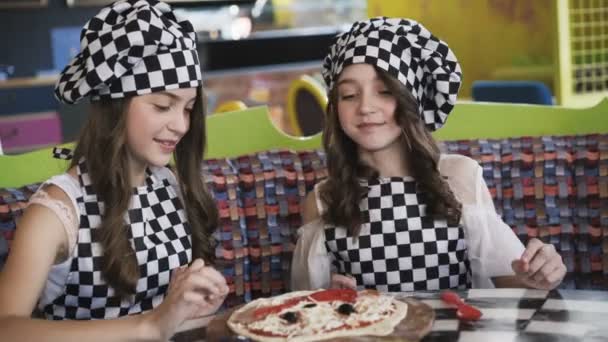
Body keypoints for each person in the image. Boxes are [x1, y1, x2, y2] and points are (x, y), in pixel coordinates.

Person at [0, 1, 229, 340]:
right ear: (115, 105)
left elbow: (174, 324)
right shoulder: (58, 210)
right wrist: (149, 325)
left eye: (189, 109)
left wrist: (219, 317)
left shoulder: (171, 185)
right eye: (163, 106)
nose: (181, 125)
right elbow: (5, 327)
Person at [291, 17, 567, 292]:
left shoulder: (459, 177)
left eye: (385, 91)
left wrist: (540, 273)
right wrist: (328, 294)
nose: (365, 107)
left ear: (413, 100)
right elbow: (304, 308)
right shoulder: (321, 201)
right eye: (349, 95)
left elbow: (515, 281)